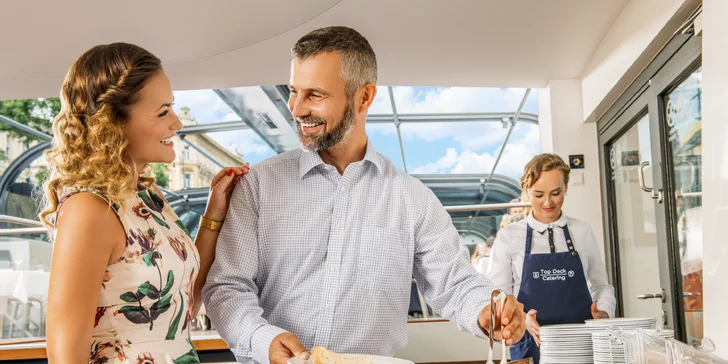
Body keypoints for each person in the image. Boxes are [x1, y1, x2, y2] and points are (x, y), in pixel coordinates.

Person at [202, 26, 527, 364]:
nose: (296, 109)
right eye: (293, 91)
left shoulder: (412, 199)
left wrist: (487, 309)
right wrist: (261, 338)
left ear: (364, 97)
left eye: (314, 95)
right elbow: (226, 287)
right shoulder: (259, 185)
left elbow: (455, 282)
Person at [40, 43, 249, 364]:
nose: (176, 123)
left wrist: (213, 213)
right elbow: (64, 355)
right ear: (113, 122)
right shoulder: (88, 210)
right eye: (162, 112)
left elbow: (185, 302)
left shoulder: (150, 200)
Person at [487, 153, 616, 364]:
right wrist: (520, 319)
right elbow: (500, 296)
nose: (547, 202)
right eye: (538, 194)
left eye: (556, 193)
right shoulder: (509, 237)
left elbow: (602, 286)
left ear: (566, 187)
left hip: (581, 341)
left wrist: (603, 312)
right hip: (530, 341)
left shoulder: (582, 231)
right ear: (526, 191)